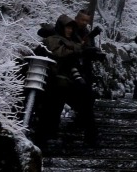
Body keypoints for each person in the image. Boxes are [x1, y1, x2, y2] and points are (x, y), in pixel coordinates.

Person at [41, 14, 100, 146]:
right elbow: (59, 52)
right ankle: (48, 136)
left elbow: (75, 53)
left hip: (69, 80)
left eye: (71, 28)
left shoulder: (71, 41)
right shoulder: (52, 39)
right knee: (52, 109)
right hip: (55, 81)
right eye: (67, 28)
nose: (70, 30)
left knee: (86, 101)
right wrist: (80, 49)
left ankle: (91, 136)